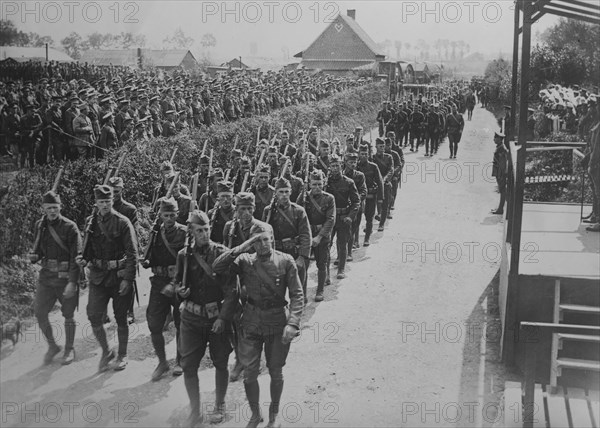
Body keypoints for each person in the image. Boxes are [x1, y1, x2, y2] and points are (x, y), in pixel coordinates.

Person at [213, 222, 304, 427]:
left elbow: (298, 295)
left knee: (275, 371)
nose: (263, 244)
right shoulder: (244, 260)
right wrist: (242, 247)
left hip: (277, 321)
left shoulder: (285, 260)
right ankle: (255, 414)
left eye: (265, 238)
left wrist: (293, 323)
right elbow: (217, 266)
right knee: (249, 374)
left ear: (272, 238)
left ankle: (274, 414)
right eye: (257, 241)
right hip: (251, 322)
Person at [172, 210, 235, 425]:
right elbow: (177, 282)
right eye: (199, 230)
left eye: (207, 229)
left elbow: (231, 291)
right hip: (191, 318)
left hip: (216, 318)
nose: (204, 234)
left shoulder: (222, 253)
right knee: (189, 365)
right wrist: (180, 291)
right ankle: (195, 410)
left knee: (220, 362)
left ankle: (219, 405)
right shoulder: (184, 255)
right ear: (191, 231)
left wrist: (223, 318)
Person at [76, 185, 138, 372]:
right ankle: (106, 351)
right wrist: (83, 259)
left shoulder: (123, 222)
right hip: (98, 278)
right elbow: (87, 250)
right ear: (96, 203)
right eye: (101, 202)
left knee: (121, 318)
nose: (104, 205)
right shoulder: (90, 223)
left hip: (119, 277)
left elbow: (132, 254)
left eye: (107, 201)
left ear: (112, 201)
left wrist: (128, 279)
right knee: (94, 315)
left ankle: (122, 354)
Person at [29, 190, 81, 365]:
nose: (52, 211)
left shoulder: (70, 227)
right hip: (46, 277)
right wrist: (35, 255)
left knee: (68, 315)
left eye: (55, 207)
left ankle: (69, 348)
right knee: (39, 312)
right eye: (49, 207)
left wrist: (73, 282)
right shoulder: (40, 225)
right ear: (43, 208)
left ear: (60, 207)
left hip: (65, 278)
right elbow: (39, 248)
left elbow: (77, 258)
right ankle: (53, 346)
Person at [141, 197, 186, 380]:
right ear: (160, 215)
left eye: (172, 215)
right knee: (154, 323)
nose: (169, 218)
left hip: (179, 283)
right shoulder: (155, 233)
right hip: (159, 282)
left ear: (177, 214)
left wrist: (174, 283)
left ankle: (180, 360)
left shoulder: (184, 233)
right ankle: (162, 361)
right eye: (165, 215)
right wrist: (147, 261)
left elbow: (187, 262)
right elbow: (151, 255)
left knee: (181, 321)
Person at [263, 177, 312, 304]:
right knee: (277, 290)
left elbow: (306, 235)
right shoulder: (269, 211)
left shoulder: (299, 211)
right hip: (277, 253)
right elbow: (264, 233)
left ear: (290, 192)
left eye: (286, 191)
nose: (284, 195)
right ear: (276, 193)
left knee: (298, 291)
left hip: (295, 252)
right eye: (281, 192)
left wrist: (302, 257)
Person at [297, 169, 335, 301]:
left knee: (321, 264)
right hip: (306, 235)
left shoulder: (329, 198)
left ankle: (320, 291)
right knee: (304, 266)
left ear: (323, 183)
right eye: (314, 184)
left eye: (319, 184)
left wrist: (319, 237)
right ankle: (303, 294)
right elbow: (297, 215)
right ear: (309, 185)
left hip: (322, 236)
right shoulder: (303, 197)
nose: (317, 187)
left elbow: (330, 219)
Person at [326, 154, 359, 279]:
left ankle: (341, 269)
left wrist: (351, 216)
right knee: (327, 245)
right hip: (330, 218)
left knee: (342, 244)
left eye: (337, 165)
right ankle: (326, 272)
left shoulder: (349, 182)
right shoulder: (325, 183)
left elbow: (356, 201)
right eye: (333, 166)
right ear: (329, 167)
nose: (335, 168)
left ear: (341, 165)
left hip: (344, 217)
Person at [491, 132, 508, 215]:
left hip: (500, 171)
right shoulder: (500, 147)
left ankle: (500, 209)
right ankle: (500, 207)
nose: (494, 139)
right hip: (498, 171)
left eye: (495, 137)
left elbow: (502, 162)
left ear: (500, 139)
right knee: (501, 189)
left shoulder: (501, 148)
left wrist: (501, 173)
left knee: (502, 190)